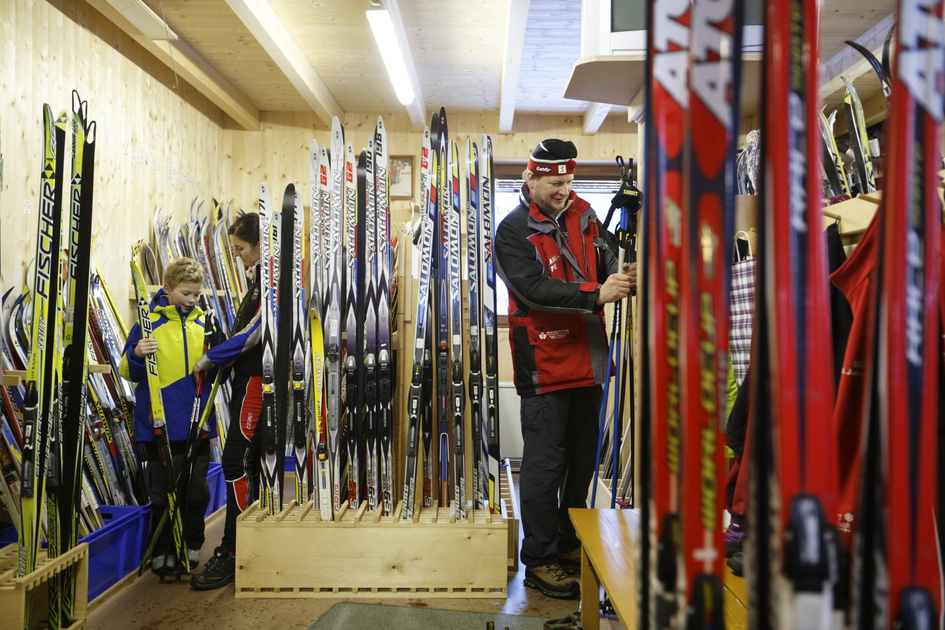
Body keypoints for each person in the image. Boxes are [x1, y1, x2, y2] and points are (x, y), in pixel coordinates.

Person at [494, 139, 635, 600]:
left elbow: (611, 258)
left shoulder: (586, 215)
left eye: (569, 181)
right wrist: (596, 293)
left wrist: (628, 271)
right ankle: (538, 558)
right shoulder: (512, 231)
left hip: (589, 362)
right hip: (545, 366)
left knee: (582, 463)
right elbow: (533, 290)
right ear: (530, 179)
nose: (563, 190)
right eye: (555, 183)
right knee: (544, 466)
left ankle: (568, 540)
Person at [120, 257, 215, 577]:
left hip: (196, 424)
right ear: (167, 288)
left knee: (196, 489)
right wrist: (136, 354)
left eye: (197, 295)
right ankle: (162, 547)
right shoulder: (149, 322)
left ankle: (189, 543)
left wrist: (214, 364)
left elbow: (219, 374)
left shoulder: (206, 324)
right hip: (157, 425)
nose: (191, 300)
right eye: (185, 293)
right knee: (162, 491)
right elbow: (126, 371)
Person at [189, 212, 263, 590]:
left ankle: (234, 553)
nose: (236, 255)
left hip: (256, 383)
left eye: (239, 249)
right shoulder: (255, 282)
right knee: (247, 465)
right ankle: (243, 548)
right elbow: (240, 332)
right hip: (244, 381)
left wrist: (210, 358)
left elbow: (253, 335)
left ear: (258, 245)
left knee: (236, 462)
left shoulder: (271, 283)